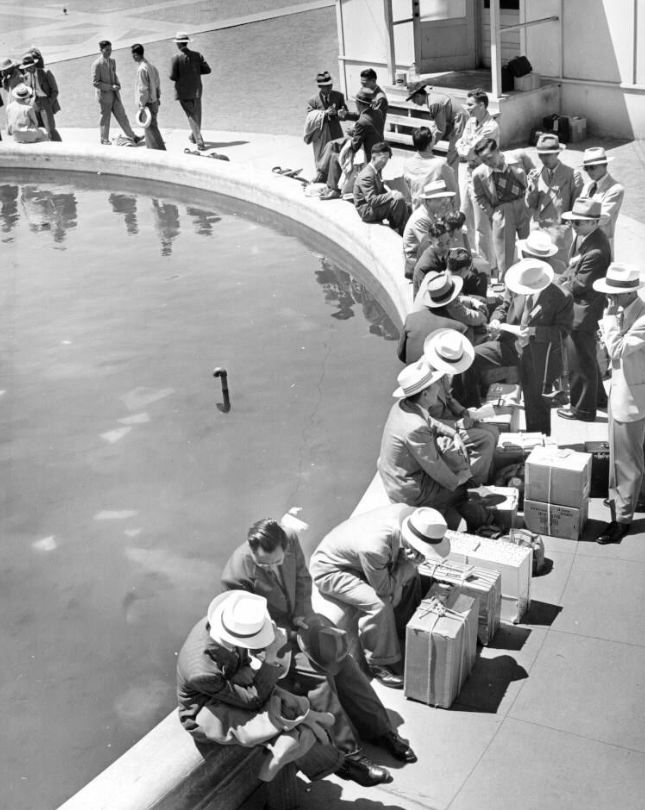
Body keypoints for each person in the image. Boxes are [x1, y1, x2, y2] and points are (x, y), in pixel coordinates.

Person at [221, 519, 415, 779]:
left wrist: (302, 611)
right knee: (317, 679)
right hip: (271, 640)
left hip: (302, 621)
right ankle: (349, 756)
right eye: (266, 564)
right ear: (253, 553)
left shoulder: (290, 537)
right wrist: (285, 636)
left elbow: (302, 578)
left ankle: (381, 730)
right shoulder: (235, 575)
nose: (275, 567)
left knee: (344, 663)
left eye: (278, 560)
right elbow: (248, 628)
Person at [176, 590, 347, 789]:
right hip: (208, 711)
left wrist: (245, 667)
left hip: (230, 689)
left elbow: (243, 662)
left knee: (284, 704)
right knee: (282, 716)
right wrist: (272, 654)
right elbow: (252, 700)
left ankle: (307, 751)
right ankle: (324, 757)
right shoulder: (201, 671)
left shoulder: (223, 625)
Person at [309, 505, 443, 687]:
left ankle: (404, 628)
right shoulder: (374, 547)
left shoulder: (413, 519)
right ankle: (379, 664)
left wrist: (408, 564)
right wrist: (408, 564)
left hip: (360, 561)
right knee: (377, 604)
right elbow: (385, 590)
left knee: (410, 575)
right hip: (331, 569)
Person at [378, 359, 492, 531]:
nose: (438, 388)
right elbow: (435, 466)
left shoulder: (404, 406)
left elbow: (430, 421)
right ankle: (476, 524)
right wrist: (461, 479)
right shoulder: (415, 428)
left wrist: (453, 433)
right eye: (434, 386)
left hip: (398, 474)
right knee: (463, 490)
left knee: (458, 475)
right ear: (425, 394)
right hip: (408, 489)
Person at [594, 264, 645, 544]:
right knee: (619, 455)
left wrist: (610, 322)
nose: (609, 299)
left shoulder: (642, 317)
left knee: (627, 461)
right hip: (619, 392)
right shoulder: (627, 311)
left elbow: (618, 350)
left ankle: (622, 519)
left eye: (613, 295)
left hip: (632, 397)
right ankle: (625, 499)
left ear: (626, 294)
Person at [498, 259, 573, 435]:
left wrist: (534, 331)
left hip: (539, 357)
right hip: (510, 347)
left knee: (536, 404)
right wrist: (496, 318)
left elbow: (562, 332)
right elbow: (505, 306)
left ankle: (539, 441)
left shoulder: (562, 297)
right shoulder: (516, 284)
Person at [556, 198, 611, 422]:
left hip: (583, 311)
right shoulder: (587, 238)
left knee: (580, 362)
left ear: (594, 222)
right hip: (582, 308)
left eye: (578, 222)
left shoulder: (596, 250)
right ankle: (597, 399)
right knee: (587, 358)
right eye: (573, 222)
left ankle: (582, 409)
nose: (573, 226)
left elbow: (580, 285)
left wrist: (557, 283)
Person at [423, 329, 498, 483]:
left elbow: (448, 398)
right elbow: (424, 421)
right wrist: (457, 425)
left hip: (449, 419)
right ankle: (471, 483)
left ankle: (484, 474)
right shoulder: (422, 379)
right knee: (486, 439)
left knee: (494, 431)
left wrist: (464, 412)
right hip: (436, 430)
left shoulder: (440, 371)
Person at [472, 138, 534, 279]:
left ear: (498, 151)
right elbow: (479, 197)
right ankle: (508, 291)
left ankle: (533, 282)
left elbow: (533, 173)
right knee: (505, 257)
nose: (488, 163)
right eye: (484, 161)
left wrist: (532, 192)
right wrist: (492, 213)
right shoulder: (479, 173)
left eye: (489, 158)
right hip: (502, 211)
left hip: (523, 205)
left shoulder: (519, 157)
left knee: (531, 249)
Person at [455, 88, 500, 270]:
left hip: (482, 176)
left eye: (471, 105)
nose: (468, 108)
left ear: (482, 105)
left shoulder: (491, 127)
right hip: (466, 172)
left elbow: (471, 150)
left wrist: (465, 149)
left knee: (482, 225)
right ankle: (472, 260)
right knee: (465, 217)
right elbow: (460, 143)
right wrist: (464, 149)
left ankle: (487, 266)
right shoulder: (471, 122)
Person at [525, 133, 583, 263]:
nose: (543, 159)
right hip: (538, 236)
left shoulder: (572, 176)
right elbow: (530, 205)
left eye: (547, 155)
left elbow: (577, 211)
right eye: (540, 155)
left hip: (558, 238)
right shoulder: (536, 174)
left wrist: (565, 227)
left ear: (557, 153)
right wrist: (533, 188)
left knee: (558, 276)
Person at [317, 86, 382, 201]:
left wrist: (353, 133)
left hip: (366, 156)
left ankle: (333, 188)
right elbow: (360, 116)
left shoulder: (361, 123)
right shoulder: (377, 113)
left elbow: (355, 146)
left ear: (359, 103)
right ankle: (325, 177)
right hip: (376, 152)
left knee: (334, 156)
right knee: (334, 145)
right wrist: (346, 114)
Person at [405, 81, 466, 176]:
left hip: (460, 120)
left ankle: (452, 185)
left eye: (413, 99)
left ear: (418, 96)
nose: (414, 102)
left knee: (452, 155)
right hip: (453, 120)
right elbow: (437, 125)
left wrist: (429, 145)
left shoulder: (433, 103)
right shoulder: (431, 97)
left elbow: (441, 130)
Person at [91, 40, 142, 146]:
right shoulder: (96, 64)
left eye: (110, 49)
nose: (109, 52)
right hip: (104, 96)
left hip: (115, 94)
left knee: (122, 115)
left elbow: (114, 75)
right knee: (105, 117)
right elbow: (95, 83)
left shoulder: (112, 61)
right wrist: (110, 87)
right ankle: (104, 139)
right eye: (107, 50)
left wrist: (118, 84)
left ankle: (133, 136)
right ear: (101, 50)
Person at [353, 141, 410, 235]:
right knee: (398, 200)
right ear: (374, 157)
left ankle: (403, 228)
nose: (385, 162)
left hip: (372, 206)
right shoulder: (367, 175)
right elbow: (372, 200)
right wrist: (391, 195)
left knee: (405, 205)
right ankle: (399, 230)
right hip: (367, 210)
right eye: (383, 158)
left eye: (387, 159)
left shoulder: (376, 170)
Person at [403, 179, 456, 278]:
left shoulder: (431, 214)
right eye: (439, 200)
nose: (444, 203)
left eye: (445, 199)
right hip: (417, 264)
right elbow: (431, 247)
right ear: (428, 201)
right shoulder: (422, 219)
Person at [169, 31, 211, 150]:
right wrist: (195, 71)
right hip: (197, 89)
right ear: (187, 42)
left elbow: (172, 76)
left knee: (191, 114)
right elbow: (207, 70)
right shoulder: (197, 55)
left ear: (178, 44)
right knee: (197, 113)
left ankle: (199, 140)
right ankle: (194, 135)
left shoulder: (176, 58)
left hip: (183, 91)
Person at [402, 126, 458, 210]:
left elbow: (408, 195)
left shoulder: (407, 164)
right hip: (436, 214)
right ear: (430, 144)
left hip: (416, 212)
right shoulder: (440, 165)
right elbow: (453, 192)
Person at [581, 146, 624, 255]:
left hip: (600, 245)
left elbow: (602, 218)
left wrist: (578, 218)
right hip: (582, 242)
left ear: (604, 165)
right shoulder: (588, 186)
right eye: (586, 168)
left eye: (592, 167)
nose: (589, 171)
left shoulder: (615, 189)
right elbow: (577, 208)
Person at [305, 70, 348, 170]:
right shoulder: (313, 100)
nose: (330, 88)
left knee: (338, 155)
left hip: (335, 132)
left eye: (330, 85)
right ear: (320, 87)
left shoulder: (339, 96)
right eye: (326, 86)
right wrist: (324, 114)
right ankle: (321, 177)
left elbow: (345, 114)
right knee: (321, 158)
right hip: (320, 135)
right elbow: (310, 119)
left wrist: (339, 113)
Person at [130, 43, 165, 151]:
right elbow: (157, 83)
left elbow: (143, 90)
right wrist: (158, 98)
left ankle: (158, 151)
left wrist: (141, 105)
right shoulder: (151, 66)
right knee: (152, 128)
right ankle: (155, 150)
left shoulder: (141, 69)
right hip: (154, 101)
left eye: (133, 54)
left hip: (147, 104)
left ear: (136, 55)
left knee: (151, 130)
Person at [20, 51, 61, 141]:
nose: (27, 69)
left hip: (46, 101)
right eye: (25, 68)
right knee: (40, 129)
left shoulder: (46, 73)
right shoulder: (26, 77)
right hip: (34, 104)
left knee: (50, 128)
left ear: (33, 65)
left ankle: (58, 146)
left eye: (28, 67)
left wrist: (49, 103)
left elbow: (55, 91)